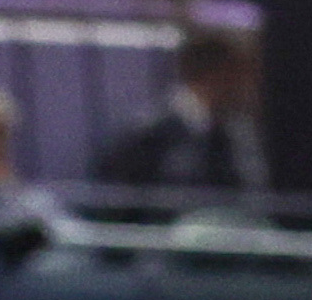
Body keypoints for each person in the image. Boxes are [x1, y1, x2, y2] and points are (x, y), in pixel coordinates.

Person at [93, 35, 268, 201]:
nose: (247, 87)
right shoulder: (147, 135)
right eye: (239, 76)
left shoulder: (238, 134)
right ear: (213, 76)